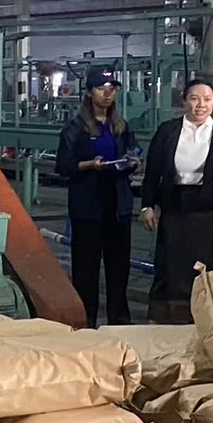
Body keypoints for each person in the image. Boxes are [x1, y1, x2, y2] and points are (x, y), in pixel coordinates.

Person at [141, 80, 213, 324]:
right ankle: (166, 321)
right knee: (169, 267)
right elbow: (153, 170)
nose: (201, 105)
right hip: (174, 206)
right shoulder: (168, 131)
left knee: (205, 267)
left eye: (207, 99)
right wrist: (147, 205)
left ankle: (204, 321)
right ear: (184, 102)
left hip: (208, 209)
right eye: (194, 98)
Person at [56, 67, 139, 328]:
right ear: (89, 93)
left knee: (119, 268)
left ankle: (119, 321)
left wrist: (132, 162)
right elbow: (64, 166)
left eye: (111, 89)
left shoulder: (121, 127)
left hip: (117, 206)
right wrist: (89, 165)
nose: (107, 94)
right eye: (101, 89)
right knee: (86, 269)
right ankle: (86, 322)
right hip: (88, 207)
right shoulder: (75, 129)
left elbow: (132, 151)